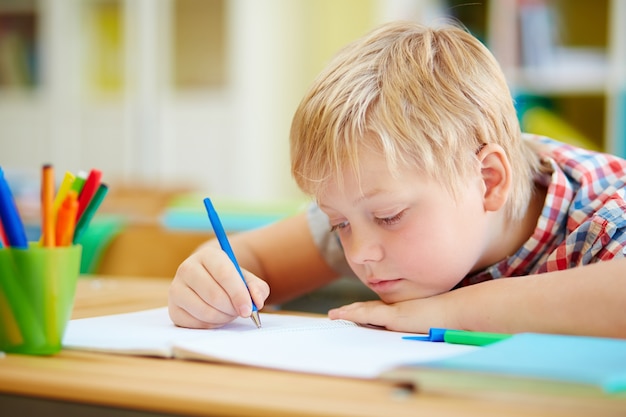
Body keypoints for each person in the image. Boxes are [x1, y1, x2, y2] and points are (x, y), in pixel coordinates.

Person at [168, 21, 626, 338]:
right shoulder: (370, 204)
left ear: (487, 181)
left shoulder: (603, 213)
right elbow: (249, 258)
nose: (361, 254)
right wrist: (211, 278)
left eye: (390, 217)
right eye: (338, 225)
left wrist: (443, 313)